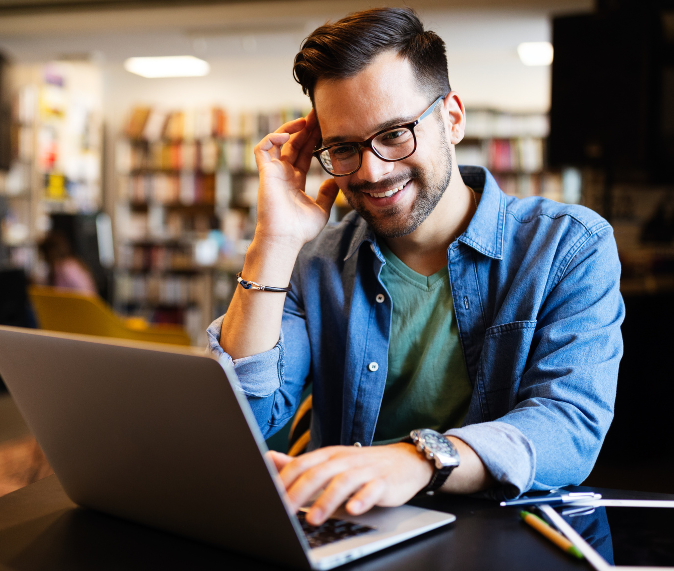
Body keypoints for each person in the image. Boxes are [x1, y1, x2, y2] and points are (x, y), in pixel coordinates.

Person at [207, 8, 624, 527]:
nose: (372, 170)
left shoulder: (567, 246)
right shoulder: (311, 262)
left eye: (395, 133)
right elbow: (240, 416)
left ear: (452, 118)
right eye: (343, 148)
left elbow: (569, 426)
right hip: (346, 533)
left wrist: (420, 458)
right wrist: (273, 241)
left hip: (500, 536)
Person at [38, 230, 98, 296]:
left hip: (79, 305)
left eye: (44, 255)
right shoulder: (73, 263)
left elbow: (58, 294)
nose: (44, 259)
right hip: (89, 304)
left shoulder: (63, 268)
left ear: (50, 253)